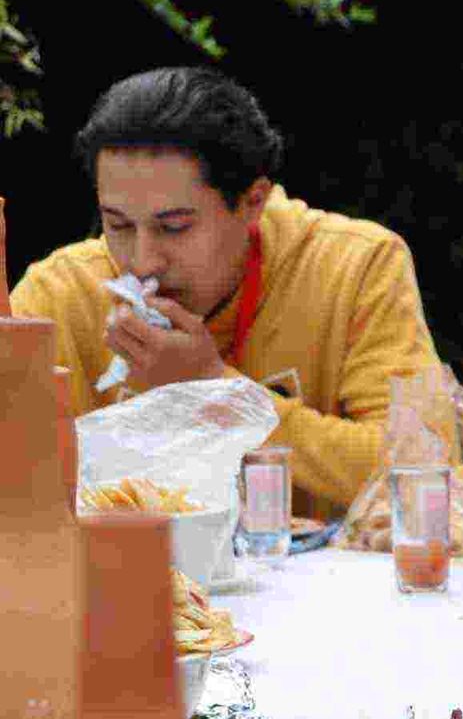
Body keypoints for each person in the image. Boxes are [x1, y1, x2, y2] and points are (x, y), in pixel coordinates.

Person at [10, 68, 439, 518]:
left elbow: (426, 470)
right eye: (117, 225)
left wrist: (216, 392)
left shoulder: (355, 266)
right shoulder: (61, 294)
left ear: (253, 202)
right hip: (119, 579)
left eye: (173, 227)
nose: (142, 261)